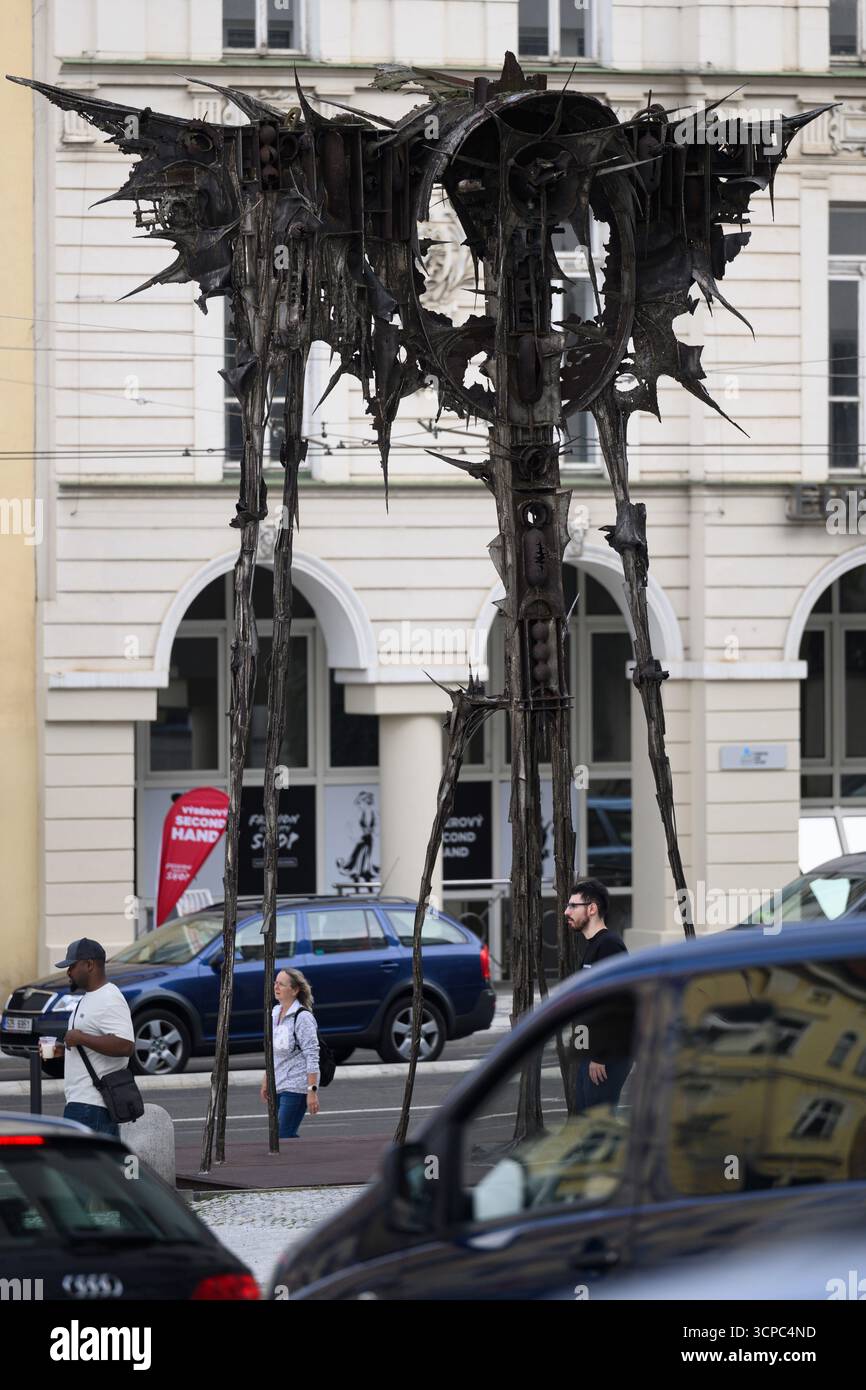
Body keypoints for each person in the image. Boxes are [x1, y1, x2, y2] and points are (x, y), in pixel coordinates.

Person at [56, 937, 135, 1138]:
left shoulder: (110, 998)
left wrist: (81, 1038)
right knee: (81, 1169)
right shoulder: (89, 997)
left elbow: (126, 1045)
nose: (68, 972)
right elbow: (88, 1049)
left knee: (80, 1169)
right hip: (81, 1103)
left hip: (93, 1107)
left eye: (72, 966)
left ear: (89, 965)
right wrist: (62, 1051)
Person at [564, 879, 632, 1113]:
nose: (566, 912)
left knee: (597, 1125)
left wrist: (600, 1057)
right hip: (592, 1052)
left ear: (591, 909)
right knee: (588, 1122)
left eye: (573, 906)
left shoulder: (610, 946)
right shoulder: (593, 946)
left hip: (608, 1054)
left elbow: (617, 1005)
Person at [261, 968, 320, 1138]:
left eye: (281, 984)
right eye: (275, 983)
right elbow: (273, 1051)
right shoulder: (275, 1012)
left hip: (297, 1085)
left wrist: (312, 1091)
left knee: (281, 1135)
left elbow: (312, 1055)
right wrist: (266, 1079)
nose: (276, 987)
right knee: (280, 1136)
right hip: (278, 1083)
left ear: (295, 990)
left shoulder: (303, 1018)